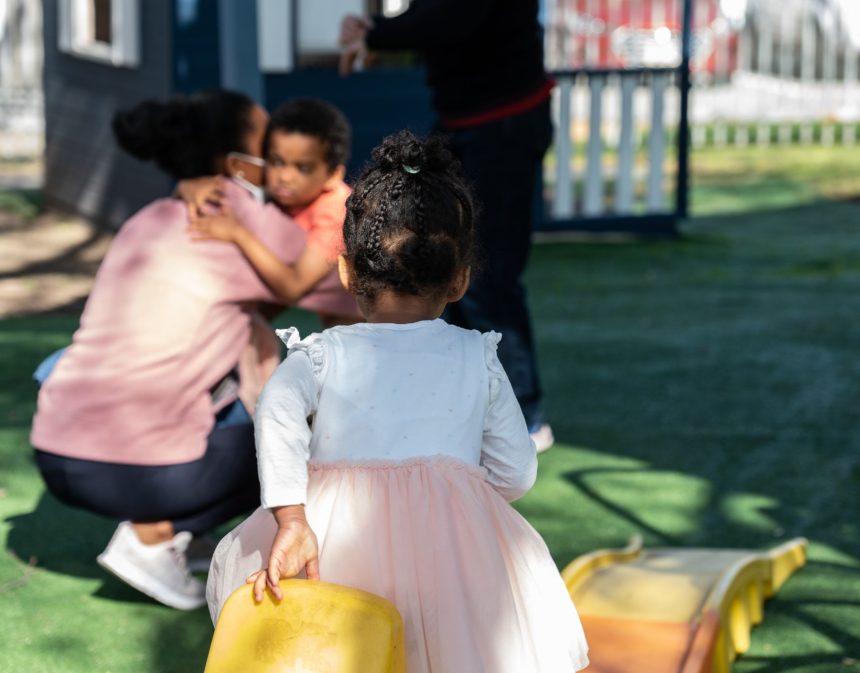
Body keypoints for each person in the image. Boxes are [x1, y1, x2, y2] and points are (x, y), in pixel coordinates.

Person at [206, 132, 588, 672]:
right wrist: (459, 493)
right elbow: (516, 473)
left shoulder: (322, 355)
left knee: (340, 650)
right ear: (460, 280)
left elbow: (277, 411)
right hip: (450, 560)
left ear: (346, 272)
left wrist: (292, 517)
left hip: (337, 540)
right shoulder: (475, 356)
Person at [29, 90, 336, 611]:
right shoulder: (242, 219)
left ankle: (179, 535)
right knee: (301, 432)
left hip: (54, 448)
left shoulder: (146, 219)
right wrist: (330, 204)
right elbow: (345, 288)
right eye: (270, 143)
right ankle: (155, 536)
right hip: (125, 467)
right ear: (237, 161)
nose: (281, 158)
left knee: (227, 399)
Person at [339, 1, 557, 452]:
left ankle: (523, 419)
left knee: (486, 278)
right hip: (469, 125)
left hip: (502, 125)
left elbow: (450, 18)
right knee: (452, 270)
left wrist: (374, 33)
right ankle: (470, 403)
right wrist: (376, 31)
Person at [185, 98, 359, 327]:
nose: (285, 176)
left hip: (366, 323)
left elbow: (293, 287)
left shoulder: (335, 212)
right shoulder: (291, 197)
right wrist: (189, 186)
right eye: (277, 162)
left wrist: (238, 233)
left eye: (303, 167)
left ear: (333, 175)